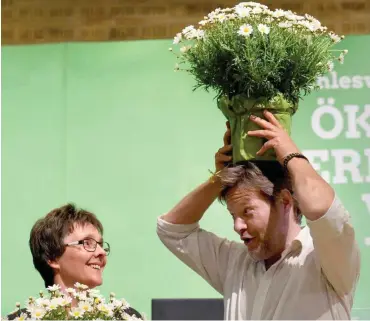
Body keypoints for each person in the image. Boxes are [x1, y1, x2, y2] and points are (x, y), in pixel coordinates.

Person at [157, 110, 360, 320]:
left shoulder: (327, 258)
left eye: (247, 212)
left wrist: (291, 154)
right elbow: (172, 230)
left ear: (285, 201)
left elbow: (321, 209)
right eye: (232, 215)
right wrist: (219, 179)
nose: (237, 226)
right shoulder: (235, 262)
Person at [8, 203, 142, 320]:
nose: (101, 252)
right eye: (87, 243)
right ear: (53, 258)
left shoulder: (125, 317)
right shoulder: (24, 319)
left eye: (101, 244)